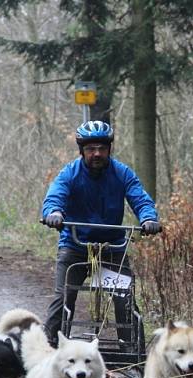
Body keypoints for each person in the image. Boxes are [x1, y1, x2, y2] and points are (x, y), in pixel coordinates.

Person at [41, 120, 162, 351]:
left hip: (112, 247)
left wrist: (148, 218)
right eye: (90, 149)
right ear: (82, 150)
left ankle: (132, 352)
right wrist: (53, 212)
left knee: (124, 298)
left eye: (101, 148)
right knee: (63, 297)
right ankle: (50, 348)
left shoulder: (122, 173)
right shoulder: (70, 173)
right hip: (75, 246)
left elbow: (140, 198)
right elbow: (55, 196)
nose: (96, 153)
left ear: (109, 149)